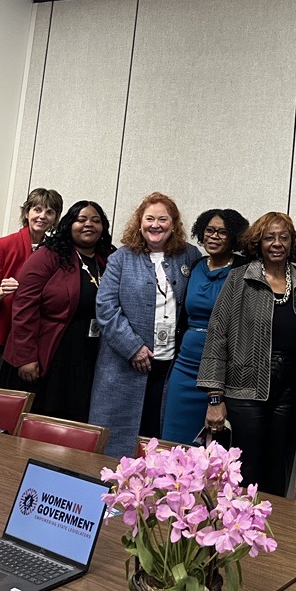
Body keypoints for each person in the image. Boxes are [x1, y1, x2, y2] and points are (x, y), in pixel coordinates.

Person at [198, 211, 296, 496]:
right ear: (258, 243)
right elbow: (217, 336)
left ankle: (270, 534)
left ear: (292, 243)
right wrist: (215, 397)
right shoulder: (240, 278)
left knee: (278, 474)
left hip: (291, 393)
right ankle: (234, 534)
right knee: (243, 471)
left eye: (283, 237)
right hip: (244, 391)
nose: (276, 243)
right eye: (269, 237)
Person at [89, 193, 201, 458]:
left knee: (159, 439)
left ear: (173, 224)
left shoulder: (189, 256)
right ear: (139, 223)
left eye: (163, 219)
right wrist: (133, 347)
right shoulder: (121, 258)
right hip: (124, 365)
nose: (156, 225)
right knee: (117, 443)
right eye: (149, 218)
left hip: (171, 368)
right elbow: (106, 308)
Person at [0, 201, 113, 420]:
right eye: (81, 220)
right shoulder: (49, 255)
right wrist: (25, 357)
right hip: (45, 354)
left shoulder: (106, 259)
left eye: (96, 221)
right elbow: (24, 305)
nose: (89, 225)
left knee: (71, 424)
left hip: (86, 355)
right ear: (69, 224)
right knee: (36, 421)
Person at [162, 208, 249, 445]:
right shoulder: (195, 265)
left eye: (222, 232)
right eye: (209, 230)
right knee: (173, 441)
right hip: (185, 364)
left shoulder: (244, 270)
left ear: (234, 238)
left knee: (212, 448)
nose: (214, 236)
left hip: (222, 370)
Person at [0, 187, 63, 388]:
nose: (42, 216)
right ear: (27, 212)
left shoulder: (55, 253)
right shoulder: (2, 245)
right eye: (37, 209)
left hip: (28, 341)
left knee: (14, 402)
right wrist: (1, 292)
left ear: (56, 218)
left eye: (50, 212)